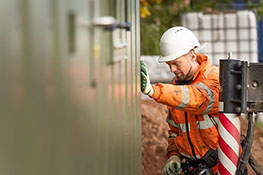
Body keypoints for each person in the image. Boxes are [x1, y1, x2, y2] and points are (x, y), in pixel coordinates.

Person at [141, 26, 219, 175]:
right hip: (193, 168)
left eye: (176, 63)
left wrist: (153, 91)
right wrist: (174, 156)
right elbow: (175, 131)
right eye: (169, 64)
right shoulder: (177, 87)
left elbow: (198, 99)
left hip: (221, 168)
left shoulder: (214, 78)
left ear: (192, 55)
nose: (172, 70)